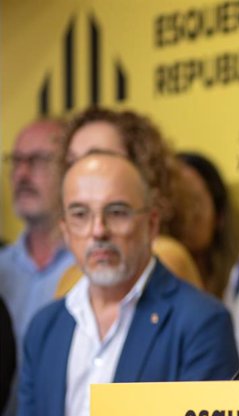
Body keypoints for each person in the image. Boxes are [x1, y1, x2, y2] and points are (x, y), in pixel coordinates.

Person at [6, 152, 239, 416]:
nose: (98, 230)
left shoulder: (201, 322)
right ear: (65, 230)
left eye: (116, 212)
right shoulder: (45, 327)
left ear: (152, 224)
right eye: (80, 214)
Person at [54, 107, 202, 295]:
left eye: (98, 156)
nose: (84, 170)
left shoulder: (167, 256)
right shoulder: (68, 276)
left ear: (142, 168)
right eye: (71, 161)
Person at [0, 119, 75, 416]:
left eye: (38, 160)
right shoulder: (1, 270)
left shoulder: (92, 272)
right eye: (16, 161)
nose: (22, 174)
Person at [176, 152, 233, 298]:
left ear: (219, 216)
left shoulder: (237, 284)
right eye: (177, 202)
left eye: (195, 202)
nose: (185, 215)